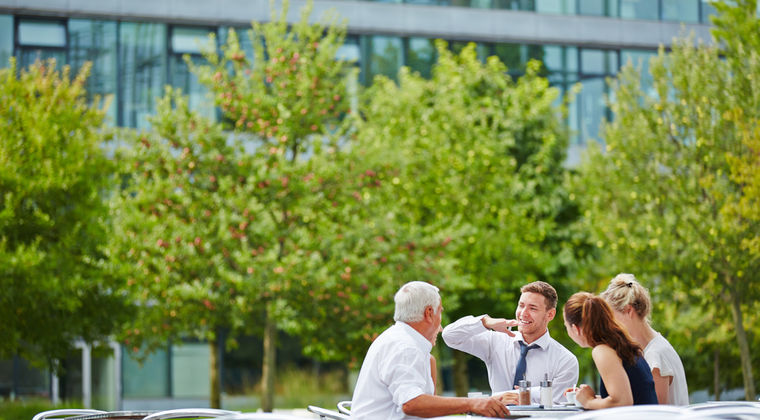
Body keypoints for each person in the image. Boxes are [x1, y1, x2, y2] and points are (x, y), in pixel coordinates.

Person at [351, 281, 511, 419]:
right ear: (429, 313)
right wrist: (472, 403)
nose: (441, 327)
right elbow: (411, 403)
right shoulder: (405, 347)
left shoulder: (398, 339)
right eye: (440, 311)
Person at [442, 281, 578, 405]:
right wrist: (485, 322)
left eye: (533, 308)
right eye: (521, 305)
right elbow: (450, 336)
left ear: (550, 315)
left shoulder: (565, 360)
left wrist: (500, 397)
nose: (523, 313)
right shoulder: (495, 341)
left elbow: (558, 399)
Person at [600, 273, 689, 405]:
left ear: (629, 311)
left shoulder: (655, 356)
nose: (610, 324)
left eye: (612, 317)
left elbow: (654, 413)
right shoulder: (652, 347)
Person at [563, 292, 658, 409]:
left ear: (575, 329)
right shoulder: (621, 343)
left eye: (566, 326)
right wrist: (587, 397)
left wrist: (588, 402)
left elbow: (622, 402)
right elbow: (631, 395)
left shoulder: (602, 351)